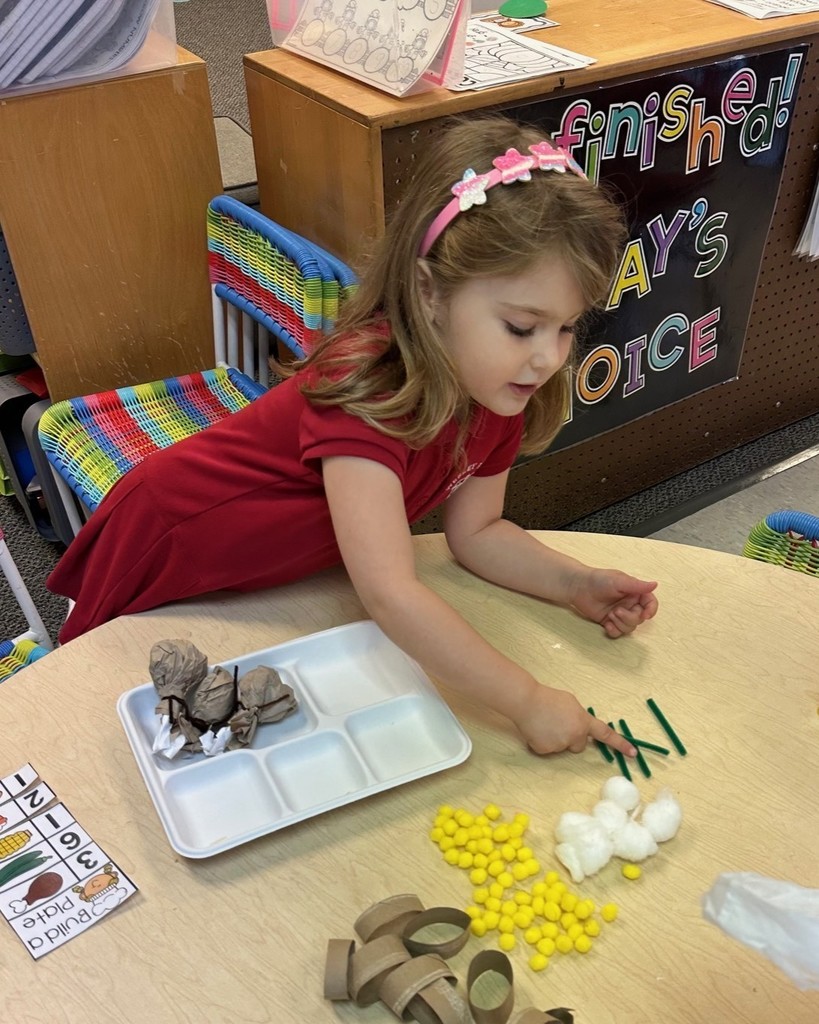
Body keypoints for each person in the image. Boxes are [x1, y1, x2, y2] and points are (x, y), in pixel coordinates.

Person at [49, 116, 658, 757]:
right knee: (105, 727)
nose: (547, 359)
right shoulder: (368, 386)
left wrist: (573, 585)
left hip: (269, 575)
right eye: (520, 327)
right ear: (429, 293)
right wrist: (527, 701)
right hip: (173, 541)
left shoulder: (497, 391)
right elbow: (390, 594)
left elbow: (477, 532)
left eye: (566, 328)